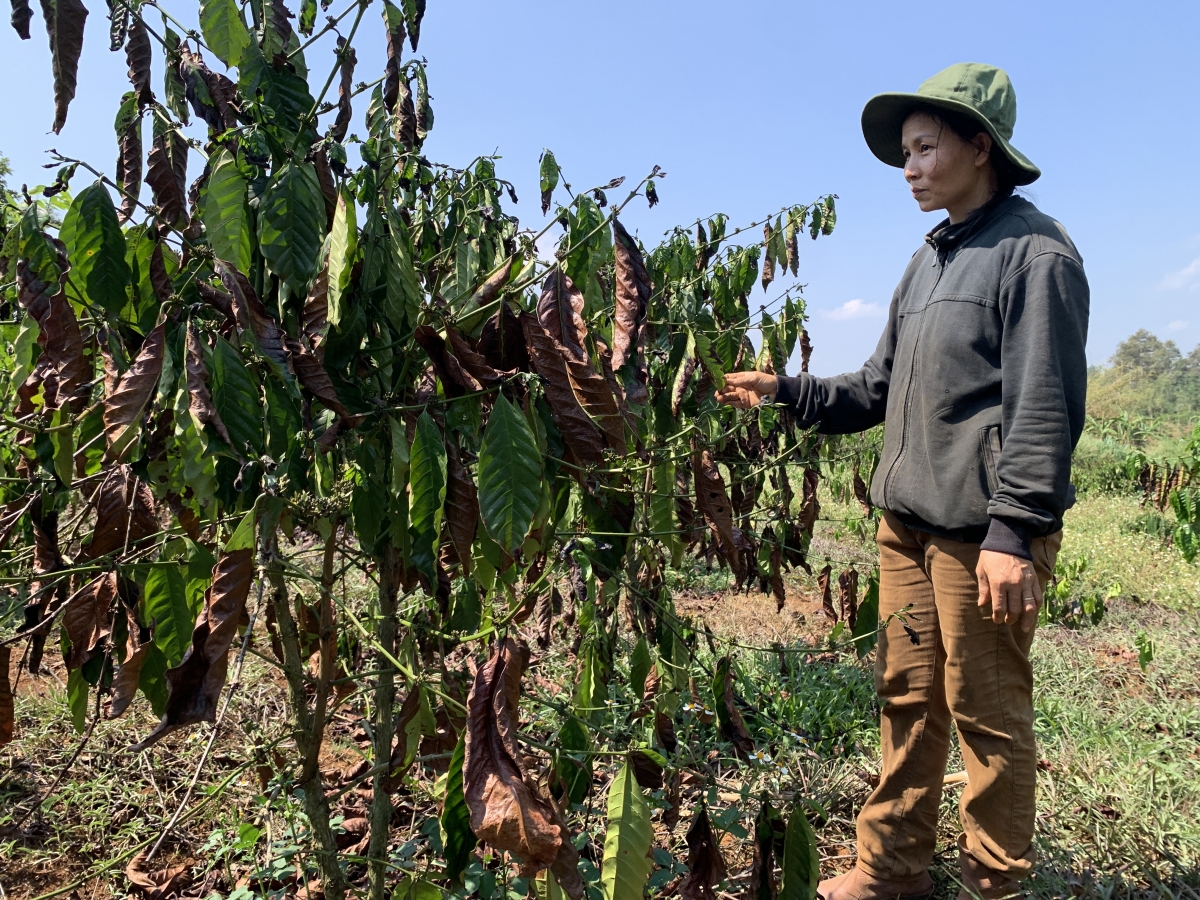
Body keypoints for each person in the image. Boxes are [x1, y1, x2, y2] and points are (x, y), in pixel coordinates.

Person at [715, 63, 1089, 900]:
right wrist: (785, 391)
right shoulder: (927, 264)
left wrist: (1014, 532)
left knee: (988, 718)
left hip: (979, 538)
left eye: (926, 148)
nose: (910, 167)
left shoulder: (1036, 255)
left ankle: (997, 885)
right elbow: (876, 390)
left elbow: (1046, 407)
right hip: (907, 529)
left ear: (980, 147)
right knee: (907, 701)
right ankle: (890, 871)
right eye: (907, 151)